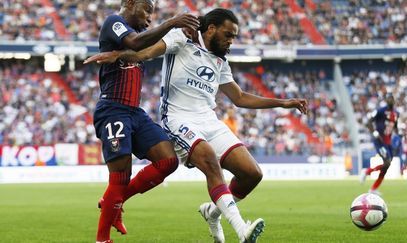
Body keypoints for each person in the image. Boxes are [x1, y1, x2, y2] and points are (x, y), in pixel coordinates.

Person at [85, 8, 308, 243]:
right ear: (211, 29)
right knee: (210, 162)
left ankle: (212, 213)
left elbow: (240, 97)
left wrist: (284, 103)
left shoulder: (220, 60)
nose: (231, 41)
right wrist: (118, 55)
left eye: (234, 36)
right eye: (228, 35)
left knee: (252, 174)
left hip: (208, 120)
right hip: (178, 118)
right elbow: (145, 53)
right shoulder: (182, 37)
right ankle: (242, 231)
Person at [88, 1, 199, 242]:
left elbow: (143, 45)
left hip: (135, 112)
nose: (150, 17)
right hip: (113, 109)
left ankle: (113, 202)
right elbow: (134, 43)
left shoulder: (141, 36)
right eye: (147, 9)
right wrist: (172, 22)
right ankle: (102, 239)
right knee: (120, 175)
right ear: (129, 3)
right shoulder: (113, 22)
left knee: (168, 160)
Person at [360, 93, 399, 194]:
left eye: (391, 98)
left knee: (387, 166)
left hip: (388, 142)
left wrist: (400, 132)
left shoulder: (396, 113)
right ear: (386, 100)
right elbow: (368, 121)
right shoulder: (380, 110)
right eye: (388, 99)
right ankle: (367, 172)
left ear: (394, 100)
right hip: (379, 141)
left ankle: (373, 188)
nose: (390, 100)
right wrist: (374, 132)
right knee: (387, 162)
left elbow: (395, 127)